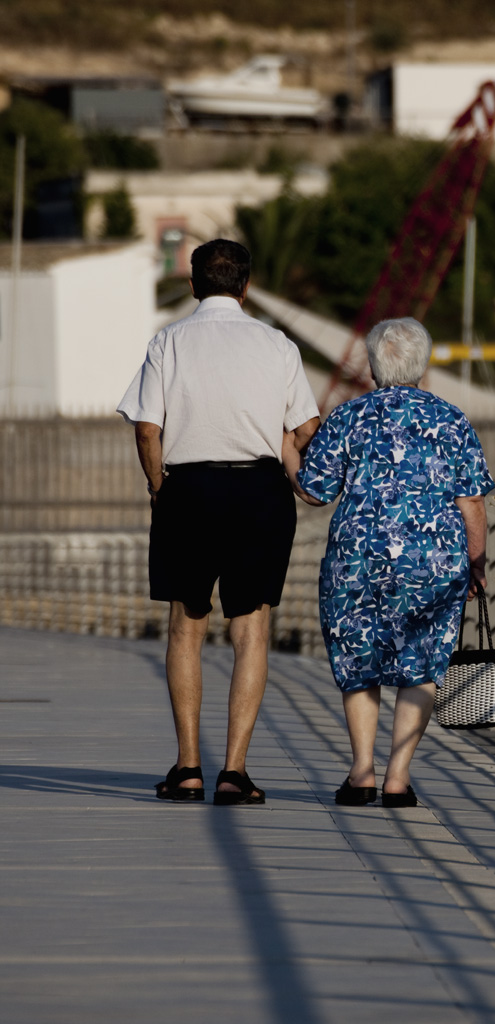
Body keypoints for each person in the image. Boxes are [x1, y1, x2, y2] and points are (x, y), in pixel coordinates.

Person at [117, 239, 320, 804]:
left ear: (192, 284)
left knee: (186, 626)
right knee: (250, 630)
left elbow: (145, 427)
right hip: (258, 492)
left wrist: (160, 487)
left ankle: (187, 769)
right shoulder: (277, 345)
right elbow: (304, 428)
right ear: (246, 286)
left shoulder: (168, 341)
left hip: (189, 489)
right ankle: (234, 771)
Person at [283, 317, 494, 807]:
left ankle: (362, 772)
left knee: (360, 662)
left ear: (375, 365)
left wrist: (285, 452)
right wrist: (477, 563)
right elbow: (473, 503)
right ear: (423, 364)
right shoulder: (451, 420)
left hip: (357, 563)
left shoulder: (348, 416)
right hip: (434, 562)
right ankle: (398, 777)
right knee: (419, 665)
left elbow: (315, 491)